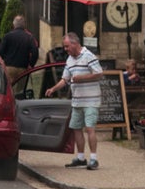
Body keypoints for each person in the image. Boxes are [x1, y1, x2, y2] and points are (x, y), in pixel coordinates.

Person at [45, 31, 105, 169]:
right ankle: (81, 157)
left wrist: (81, 78)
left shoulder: (88, 56)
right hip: (77, 100)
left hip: (91, 100)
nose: (65, 49)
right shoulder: (70, 60)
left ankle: (94, 159)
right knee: (76, 129)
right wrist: (53, 89)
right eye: (64, 47)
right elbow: (65, 79)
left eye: (67, 46)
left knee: (90, 128)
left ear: (75, 43)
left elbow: (99, 74)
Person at [0, 14, 40, 92]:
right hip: (23, 68)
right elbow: (35, 52)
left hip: (9, 67)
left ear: (14, 25)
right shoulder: (29, 37)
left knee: (8, 89)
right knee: (19, 91)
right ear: (24, 25)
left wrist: (2, 62)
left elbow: (0, 52)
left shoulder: (8, 36)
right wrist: (31, 65)